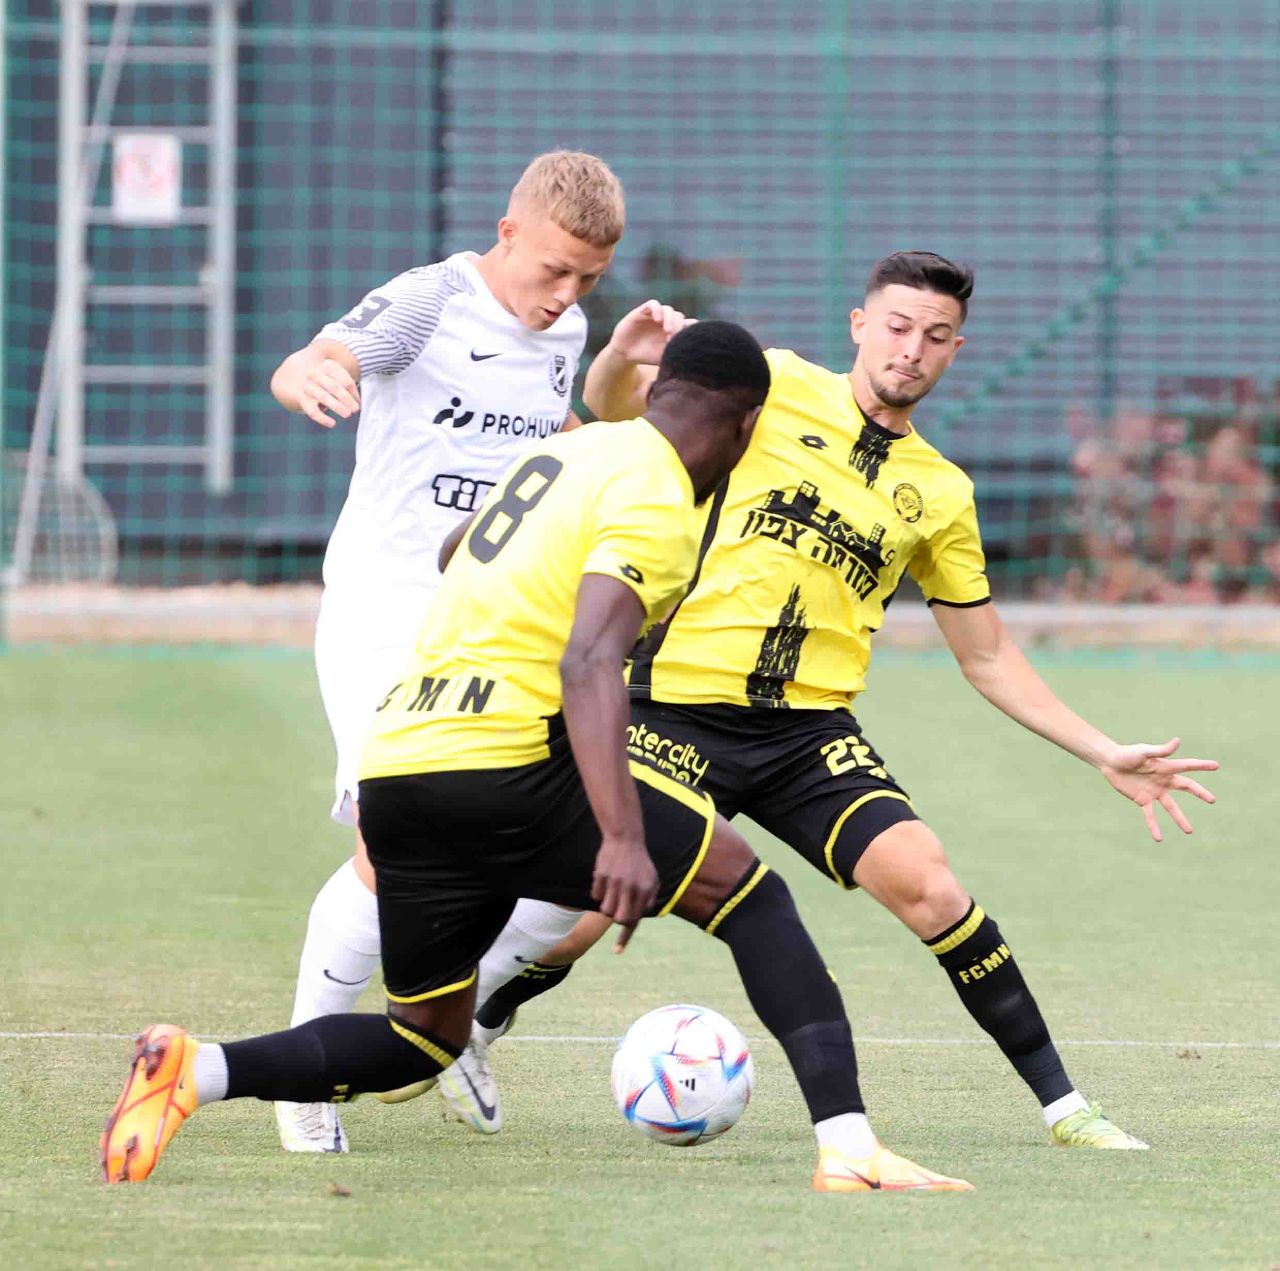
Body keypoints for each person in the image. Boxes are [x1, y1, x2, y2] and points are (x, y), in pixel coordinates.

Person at [100, 321, 972, 1194]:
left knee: (421, 1036)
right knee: (750, 896)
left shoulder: (566, 453)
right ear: (745, 428)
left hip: (401, 760)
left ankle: (195, 1069)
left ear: (661, 390)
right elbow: (591, 660)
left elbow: (454, 552)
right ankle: (849, 1147)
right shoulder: (661, 496)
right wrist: (620, 837)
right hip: (508, 760)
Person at [467, 251, 1220, 1151]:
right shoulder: (773, 383)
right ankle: (476, 1022)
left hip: (807, 735)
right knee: (583, 913)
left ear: (955, 350)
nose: (912, 350)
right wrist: (620, 358)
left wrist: (1101, 749)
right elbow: (619, 414)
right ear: (861, 325)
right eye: (897, 327)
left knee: (932, 887)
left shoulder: (941, 491)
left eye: (935, 336)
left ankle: (1067, 1109)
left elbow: (987, 654)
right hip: (671, 705)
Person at [265, 150, 651, 1151]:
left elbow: (560, 431)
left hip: (499, 622)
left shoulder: (565, 327)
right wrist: (312, 373)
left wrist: (617, 376)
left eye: (587, 279)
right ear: (507, 231)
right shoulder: (428, 300)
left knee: (569, 864)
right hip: (387, 614)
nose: (563, 295)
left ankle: (456, 1021)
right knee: (393, 846)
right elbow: (317, 358)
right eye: (553, 269)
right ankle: (303, 1074)